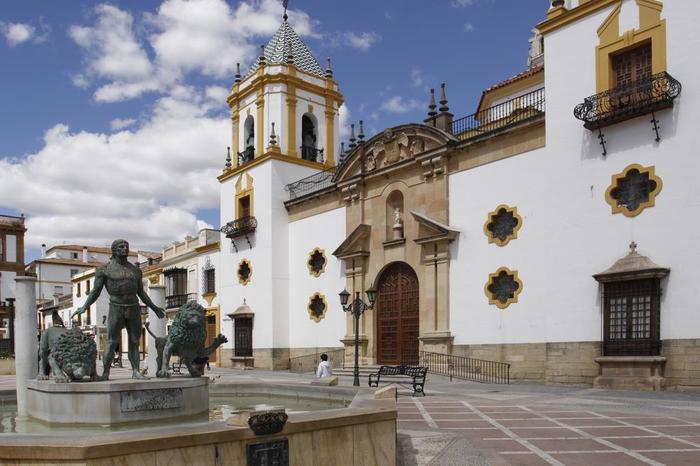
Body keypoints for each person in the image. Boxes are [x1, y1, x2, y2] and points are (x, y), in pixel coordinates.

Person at [71, 239, 165, 380]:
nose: (125, 248)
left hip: (133, 308)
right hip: (116, 308)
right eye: (121, 246)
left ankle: (136, 371)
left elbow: (141, 293)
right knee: (112, 341)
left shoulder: (135, 270)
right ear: (114, 250)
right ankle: (106, 372)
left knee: (134, 341)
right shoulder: (104, 270)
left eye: (126, 246)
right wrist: (84, 307)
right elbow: (95, 291)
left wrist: (154, 307)